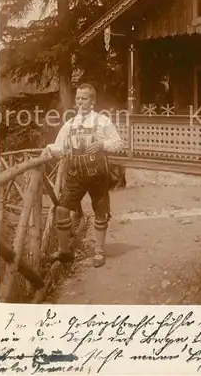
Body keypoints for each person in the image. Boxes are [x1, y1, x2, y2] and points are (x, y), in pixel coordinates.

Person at [42, 83, 123, 267]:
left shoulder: (103, 121)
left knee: (100, 213)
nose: (80, 102)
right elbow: (60, 147)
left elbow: (119, 143)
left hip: (98, 175)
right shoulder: (70, 124)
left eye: (84, 98)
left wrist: (102, 145)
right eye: (78, 98)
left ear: (92, 101)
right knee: (62, 210)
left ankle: (99, 252)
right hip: (75, 174)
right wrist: (48, 149)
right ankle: (64, 252)